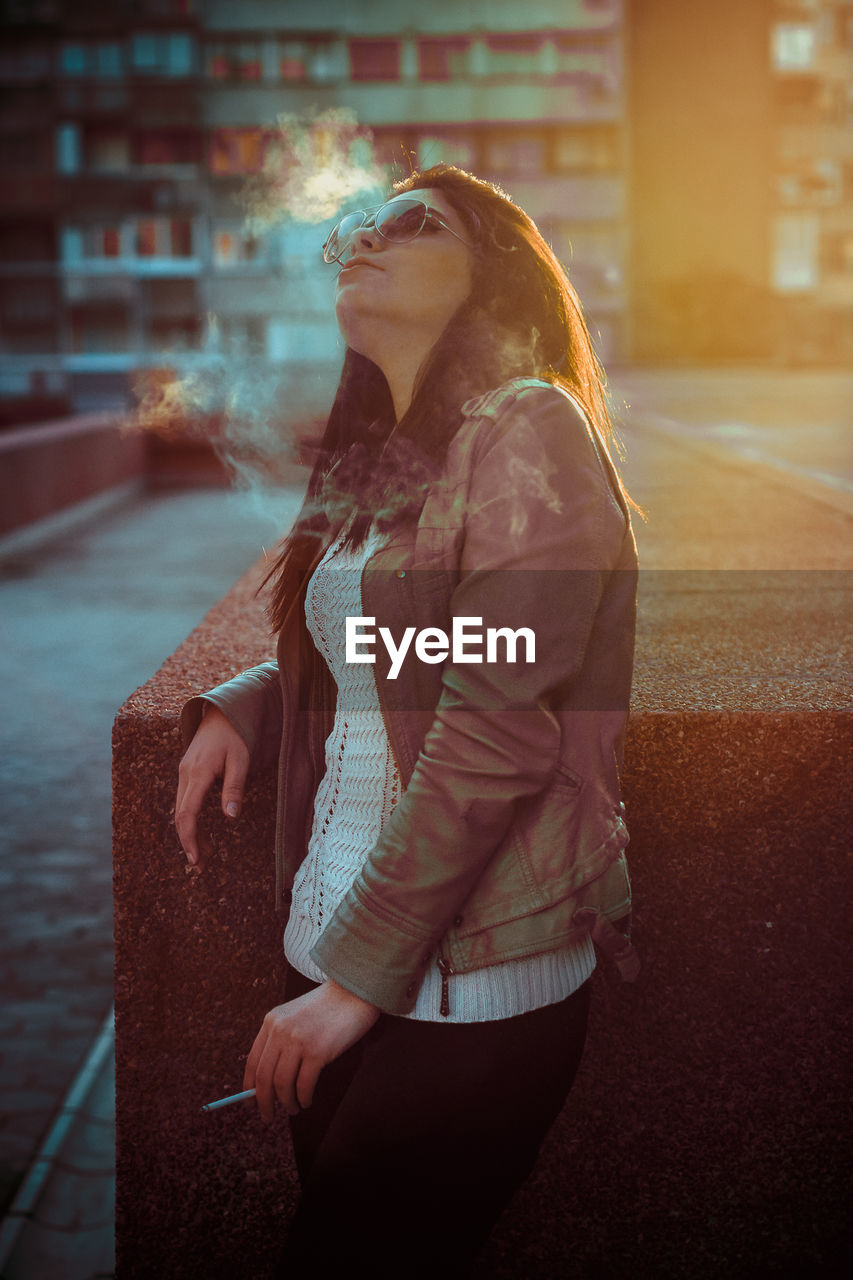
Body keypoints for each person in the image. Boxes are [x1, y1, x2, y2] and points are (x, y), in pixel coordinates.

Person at [175, 163, 639, 1278]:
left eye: (414, 224)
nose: (364, 243)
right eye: (358, 230)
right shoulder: (391, 459)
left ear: (499, 282)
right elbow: (399, 649)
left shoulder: (529, 428)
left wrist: (351, 988)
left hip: (459, 992)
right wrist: (251, 700)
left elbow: (495, 725)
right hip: (335, 967)